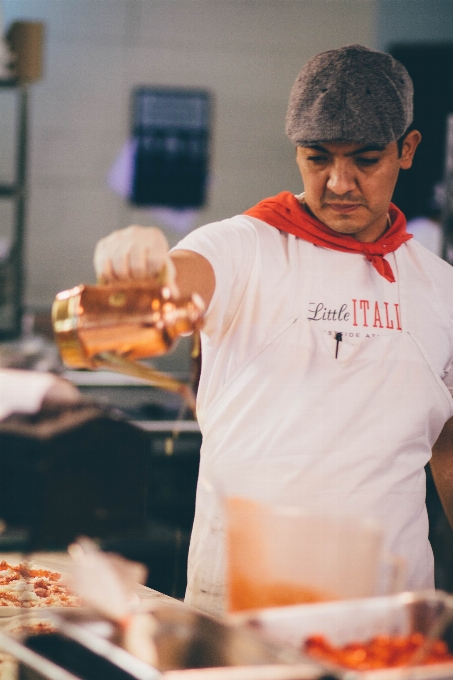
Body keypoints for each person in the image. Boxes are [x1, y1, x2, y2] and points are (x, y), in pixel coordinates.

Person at [94, 44, 453, 617]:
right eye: (318, 159)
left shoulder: (441, 290)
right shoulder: (243, 246)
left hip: (391, 618)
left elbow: (447, 444)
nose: (339, 182)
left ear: (407, 149)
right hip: (240, 611)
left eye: (365, 160)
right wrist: (142, 271)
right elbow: (176, 290)